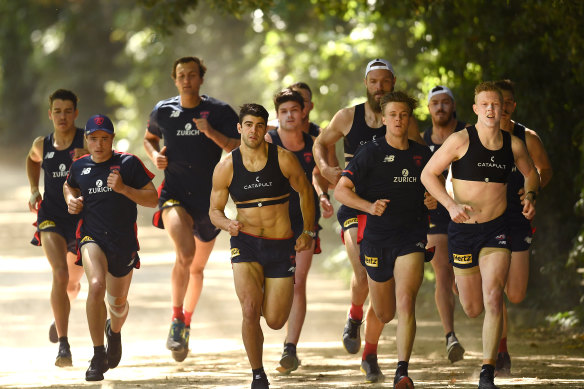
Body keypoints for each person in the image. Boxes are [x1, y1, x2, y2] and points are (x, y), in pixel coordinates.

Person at [421, 81, 539, 389]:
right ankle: (465, 284)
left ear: (503, 109)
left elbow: (531, 173)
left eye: (495, 105)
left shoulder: (513, 144)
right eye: (484, 104)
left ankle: (488, 370)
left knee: (493, 296)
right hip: (462, 231)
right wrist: (449, 205)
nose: (490, 109)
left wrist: (530, 196)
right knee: (472, 308)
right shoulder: (460, 140)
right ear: (475, 109)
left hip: (496, 231)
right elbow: (427, 173)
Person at [313, 59, 424, 357]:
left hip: (392, 208)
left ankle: (370, 350)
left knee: (382, 283)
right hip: (355, 202)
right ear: (366, 84)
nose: (379, 87)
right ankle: (354, 317)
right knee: (362, 269)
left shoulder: (404, 119)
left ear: (393, 82)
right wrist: (325, 169)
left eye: (384, 81)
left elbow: (421, 163)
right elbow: (320, 143)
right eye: (373, 82)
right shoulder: (349, 116)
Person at [209, 103, 315, 389]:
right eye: (248, 125)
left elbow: (306, 192)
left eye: (259, 125)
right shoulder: (226, 167)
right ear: (239, 128)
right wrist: (226, 223)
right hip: (245, 243)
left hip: (281, 245)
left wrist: (308, 230)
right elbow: (214, 210)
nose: (253, 130)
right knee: (248, 309)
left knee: (276, 320)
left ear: (265, 128)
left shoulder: (283, 158)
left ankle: (269, 298)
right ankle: (258, 374)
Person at [143, 56, 240, 362]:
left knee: (196, 268)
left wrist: (210, 132)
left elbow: (239, 147)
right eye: (181, 75)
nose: (186, 80)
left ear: (201, 79)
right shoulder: (163, 110)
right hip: (174, 195)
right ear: (175, 80)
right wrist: (155, 155)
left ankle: (186, 321)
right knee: (184, 255)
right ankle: (175, 321)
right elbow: (149, 139)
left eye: (192, 75)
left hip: (209, 200)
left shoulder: (220, 111)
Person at [335, 91, 433, 387]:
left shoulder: (422, 154)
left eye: (404, 114)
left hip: (411, 235)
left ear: (409, 118)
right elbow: (341, 190)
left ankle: (402, 371)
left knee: (406, 302)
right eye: (393, 115)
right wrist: (368, 206)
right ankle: (369, 351)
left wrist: (434, 199)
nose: (399, 120)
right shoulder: (371, 152)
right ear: (384, 118)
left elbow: (440, 186)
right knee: (384, 312)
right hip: (377, 239)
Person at [64, 114, 158, 381]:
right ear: (87, 140)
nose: (99, 144)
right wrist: (72, 200)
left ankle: (113, 332)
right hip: (92, 237)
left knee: (117, 304)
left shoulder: (128, 164)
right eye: (94, 139)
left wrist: (125, 189)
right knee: (95, 285)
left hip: (123, 242)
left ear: (112, 139)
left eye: (104, 139)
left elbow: (153, 199)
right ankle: (96, 355)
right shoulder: (79, 167)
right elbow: (67, 186)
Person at [265, 89, 333, 374]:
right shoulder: (269, 140)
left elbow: (321, 176)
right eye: (284, 111)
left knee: (298, 282)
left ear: (303, 112)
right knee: (269, 282)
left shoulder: (314, 143)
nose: (290, 115)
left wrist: (323, 196)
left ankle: (290, 348)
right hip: (272, 223)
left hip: (305, 222)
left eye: (295, 110)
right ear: (277, 116)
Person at [493, 79, 553, 376]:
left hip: (519, 218)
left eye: (506, 102)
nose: (500, 108)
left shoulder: (526, 137)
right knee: (494, 289)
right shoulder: (476, 137)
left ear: (512, 105)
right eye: (495, 101)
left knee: (514, 294)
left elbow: (544, 169)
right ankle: (500, 349)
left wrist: (532, 190)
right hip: (488, 220)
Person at [26, 89, 86, 367]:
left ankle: (60, 313)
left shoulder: (86, 140)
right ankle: (63, 345)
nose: (62, 116)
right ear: (50, 114)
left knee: (72, 282)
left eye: (67, 111)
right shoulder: (42, 144)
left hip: (81, 218)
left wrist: (85, 157)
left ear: (75, 113)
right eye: (57, 111)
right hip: (50, 215)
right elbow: (32, 159)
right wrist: (33, 190)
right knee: (60, 274)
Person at [422, 85, 470, 363]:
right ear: (428, 109)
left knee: (463, 276)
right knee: (442, 273)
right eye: (435, 103)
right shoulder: (419, 138)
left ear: (453, 106)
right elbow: (414, 173)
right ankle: (450, 336)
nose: (440, 108)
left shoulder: (468, 133)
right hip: (435, 216)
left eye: (445, 103)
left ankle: (498, 340)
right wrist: (424, 198)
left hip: (468, 210)